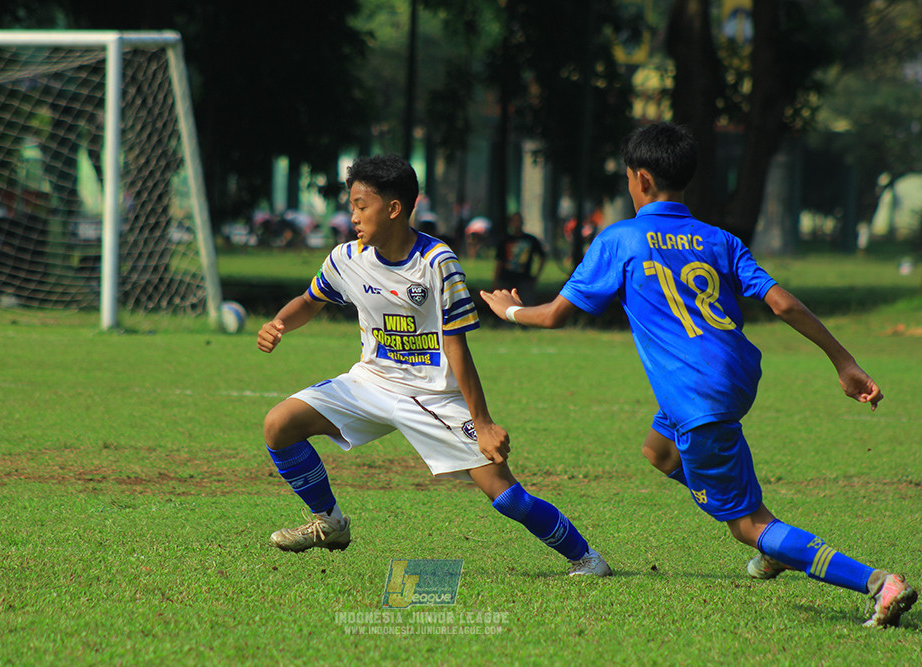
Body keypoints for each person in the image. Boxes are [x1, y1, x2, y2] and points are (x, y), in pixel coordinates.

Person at [480, 122, 916, 627]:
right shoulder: (720, 239)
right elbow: (783, 304)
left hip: (697, 395)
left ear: (641, 179)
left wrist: (509, 310)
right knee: (659, 451)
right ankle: (771, 540)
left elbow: (556, 314)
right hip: (735, 376)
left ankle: (875, 582)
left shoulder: (621, 239)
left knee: (747, 524)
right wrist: (844, 361)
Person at [258, 154, 611, 576]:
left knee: (505, 496)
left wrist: (482, 422)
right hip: (370, 382)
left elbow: (457, 346)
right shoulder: (346, 258)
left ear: (394, 208)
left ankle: (587, 558)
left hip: (433, 395)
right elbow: (310, 299)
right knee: (279, 425)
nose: (352, 216)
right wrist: (280, 323)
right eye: (351, 206)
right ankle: (330, 522)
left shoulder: (437, 262)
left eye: (361, 205)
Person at [493, 212, 546, 306]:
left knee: (527, 305)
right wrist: (495, 280)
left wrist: (537, 275)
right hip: (506, 278)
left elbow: (542, 257)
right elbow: (499, 261)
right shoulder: (505, 240)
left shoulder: (531, 240)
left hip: (524, 279)